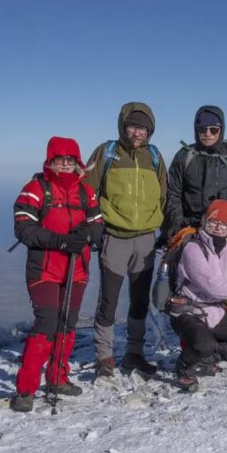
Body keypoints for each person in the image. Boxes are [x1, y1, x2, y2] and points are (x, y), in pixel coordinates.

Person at [10, 136, 103, 412]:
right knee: (47, 324)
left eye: (70, 159)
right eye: (60, 159)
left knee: (67, 323)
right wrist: (62, 241)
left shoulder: (86, 192)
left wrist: (86, 234)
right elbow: (24, 229)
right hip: (45, 270)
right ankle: (26, 389)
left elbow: (98, 225)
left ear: (78, 162)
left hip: (77, 269)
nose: (65, 163)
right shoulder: (36, 189)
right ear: (49, 161)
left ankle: (57, 378)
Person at [83, 103, 167, 378]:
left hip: (145, 240)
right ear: (123, 126)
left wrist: (162, 227)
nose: (137, 132)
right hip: (115, 238)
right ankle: (104, 357)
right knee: (108, 300)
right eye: (132, 126)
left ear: (150, 130)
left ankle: (134, 353)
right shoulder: (106, 153)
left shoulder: (154, 157)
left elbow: (163, 196)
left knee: (140, 301)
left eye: (142, 127)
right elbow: (87, 191)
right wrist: (94, 226)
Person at [164, 105, 227, 314]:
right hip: (191, 229)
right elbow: (174, 194)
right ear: (195, 130)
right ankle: (193, 342)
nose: (207, 134)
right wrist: (177, 224)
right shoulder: (185, 156)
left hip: (226, 230)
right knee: (189, 288)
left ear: (221, 129)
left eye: (213, 129)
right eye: (202, 129)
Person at [167, 199, 227, 391]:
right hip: (189, 311)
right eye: (214, 222)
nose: (218, 228)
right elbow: (214, 288)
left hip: (215, 312)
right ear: (205, 222)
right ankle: (185, 368)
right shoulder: (193, 248)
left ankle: (209, 355)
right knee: (204, 345)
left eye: (224, 224)